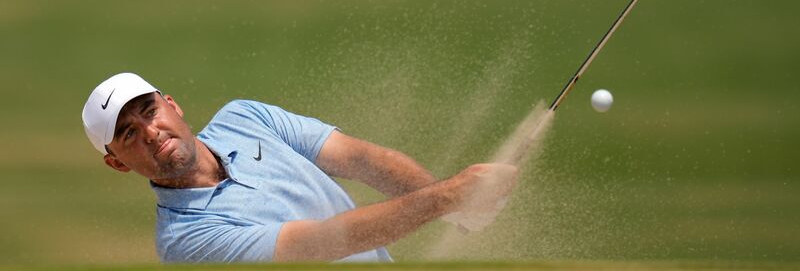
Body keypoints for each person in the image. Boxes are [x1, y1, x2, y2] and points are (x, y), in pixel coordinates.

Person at [81, 72, 518, 263]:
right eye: (129, 134)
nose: (151, 132)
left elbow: (361, 159)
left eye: (148, 111)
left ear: (171, 104)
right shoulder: (185, 242)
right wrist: (445, 197)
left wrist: (458, 206)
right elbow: (324, 242)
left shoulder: (246, 119)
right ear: (117, 163)